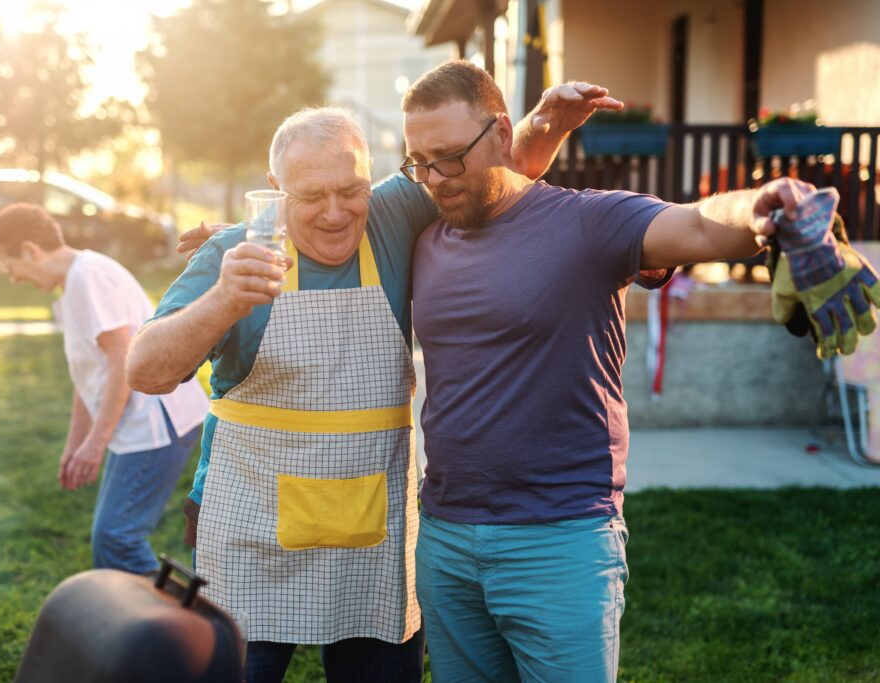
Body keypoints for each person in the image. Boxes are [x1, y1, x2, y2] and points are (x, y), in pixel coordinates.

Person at [126, 83, 656, 682]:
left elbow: (481, 169)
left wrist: (547, 122)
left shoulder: (394, 214)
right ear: (276, 194)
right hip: (252, 536)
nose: (334, 213)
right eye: (310, 196)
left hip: (372, 540)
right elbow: (146, 370)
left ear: (372, 180)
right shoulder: (235, 253)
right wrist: (222, 301)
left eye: (350, 190)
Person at [398, 60, 821, 682]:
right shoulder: (424, 233)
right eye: (419, 161)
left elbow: (702, 225)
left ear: (499, 134)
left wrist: (764, 206)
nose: (434, 177)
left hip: (559, 541)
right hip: (444, 538)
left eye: (449, 157)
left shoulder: (588, 222)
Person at [0, 203, 209, 575]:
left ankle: (173, 628)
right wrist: (76, 443)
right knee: (110, 538)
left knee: (117, 539)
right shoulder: (72, 286)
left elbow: (122, 360)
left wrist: (95, 443)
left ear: (29, 251)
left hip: (157, 426)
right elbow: (88, 379)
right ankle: (130, 625)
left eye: (11, 267)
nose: (13, 278)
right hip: (136, 429)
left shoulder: (89, 277)